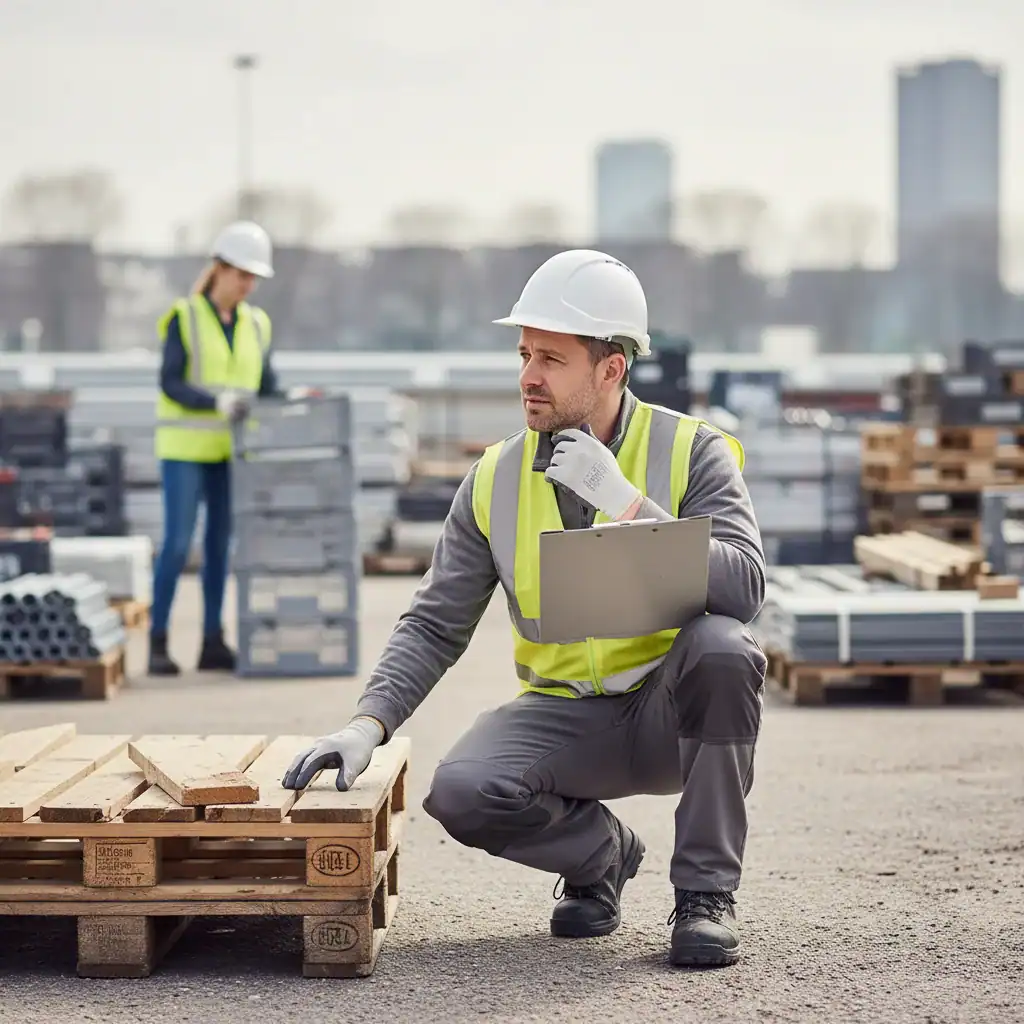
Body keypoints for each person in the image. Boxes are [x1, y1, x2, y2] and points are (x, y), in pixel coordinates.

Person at [281, 249, 768, 968]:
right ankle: (603, 857)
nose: (528, 376)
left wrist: (630, 506)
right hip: (569, 722)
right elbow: (434, 621)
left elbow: (745, 587)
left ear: (612, 370)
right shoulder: (495, 479)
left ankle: (704, 897)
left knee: (725, 648)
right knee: (462, 789)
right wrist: (366, 723)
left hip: (674, 713)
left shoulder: (691, 452)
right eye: (523, 354)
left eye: (552, 358)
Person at [148, 220, 282, 677]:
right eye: (242, 275)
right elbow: (170, 380)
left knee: (220, 548)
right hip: (185, 449)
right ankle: (158, 642)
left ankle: (212, 642)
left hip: (230, 454)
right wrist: (215, 403)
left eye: (253, 278)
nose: (248, 285)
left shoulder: (256, 324)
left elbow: (267, 385)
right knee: (178, 545)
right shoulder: (184, 317)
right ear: (219, 269)